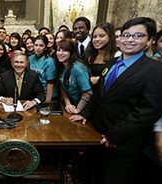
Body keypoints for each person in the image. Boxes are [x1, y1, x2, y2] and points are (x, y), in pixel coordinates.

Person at [68, 17, 162, 184]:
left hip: (123, 142)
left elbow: (147, 111)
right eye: (126, 35)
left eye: (138, 35)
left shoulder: (154, 70)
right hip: (97, 135)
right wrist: (85, 114)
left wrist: (114, 135)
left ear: (149, 40)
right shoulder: (112, 63)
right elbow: (99, 94)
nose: (130, 40)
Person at [56, 39, 92, 114]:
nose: (60, 53)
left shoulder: (78, 69)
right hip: (72, 105)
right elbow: (63, 87)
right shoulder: (61, 65)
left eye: (65, 51)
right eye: (58, 50)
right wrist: (68, 103)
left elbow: (87, 93)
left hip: (84, 108)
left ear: (71, 52)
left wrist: (78, 110)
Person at [85, 22, 117, 90]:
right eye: (94, 37)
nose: (97, 39)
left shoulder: (117, 55)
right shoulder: (90, 55)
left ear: (110, 37)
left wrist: (99, 79)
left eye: (101, 36)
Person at [29, 35, 57, 102]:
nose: (38, 48)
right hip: (36, 93)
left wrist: (47, 102)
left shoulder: (49, 61)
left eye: (41, 46)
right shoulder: (30, 58)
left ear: (45, 47)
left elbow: (50, 84)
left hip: (47, 94)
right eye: (36, 45)